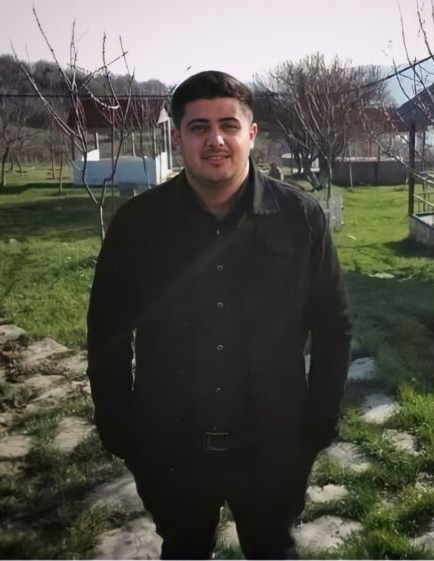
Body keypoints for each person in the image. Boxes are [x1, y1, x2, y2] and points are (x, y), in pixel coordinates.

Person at [86, 70, 351, 560]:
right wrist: (118, 426)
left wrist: (321, 420)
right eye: (199, 127)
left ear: (251, 134)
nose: (215, 140)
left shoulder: (301, 219)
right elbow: (107, 333)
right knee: (183, 548)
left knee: (273, 549)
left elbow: (334, 326)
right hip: (170, 447)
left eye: (229, 125)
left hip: (275, 443)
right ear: (177, 137)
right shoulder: (137, 226)